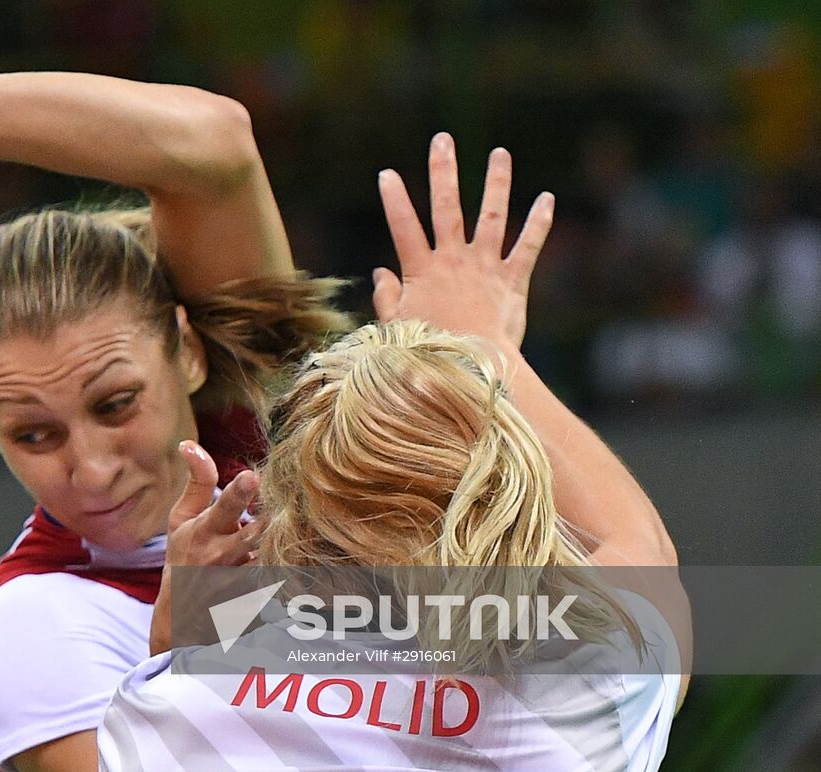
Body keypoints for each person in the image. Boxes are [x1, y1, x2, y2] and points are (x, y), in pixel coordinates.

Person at [0, 68, 350, 770]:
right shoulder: (28, 622)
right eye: (34, 435)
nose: (93, 468)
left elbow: (213, 144)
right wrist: (182, 656)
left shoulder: (263, 434)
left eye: (116, 405)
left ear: (189, 353)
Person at [101, 133, 690, 771]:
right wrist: (486, 348)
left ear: (287, 521)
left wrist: (177, 633)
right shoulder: (585, 691)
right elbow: (645, 554)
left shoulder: (165, 715)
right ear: (507, 499)